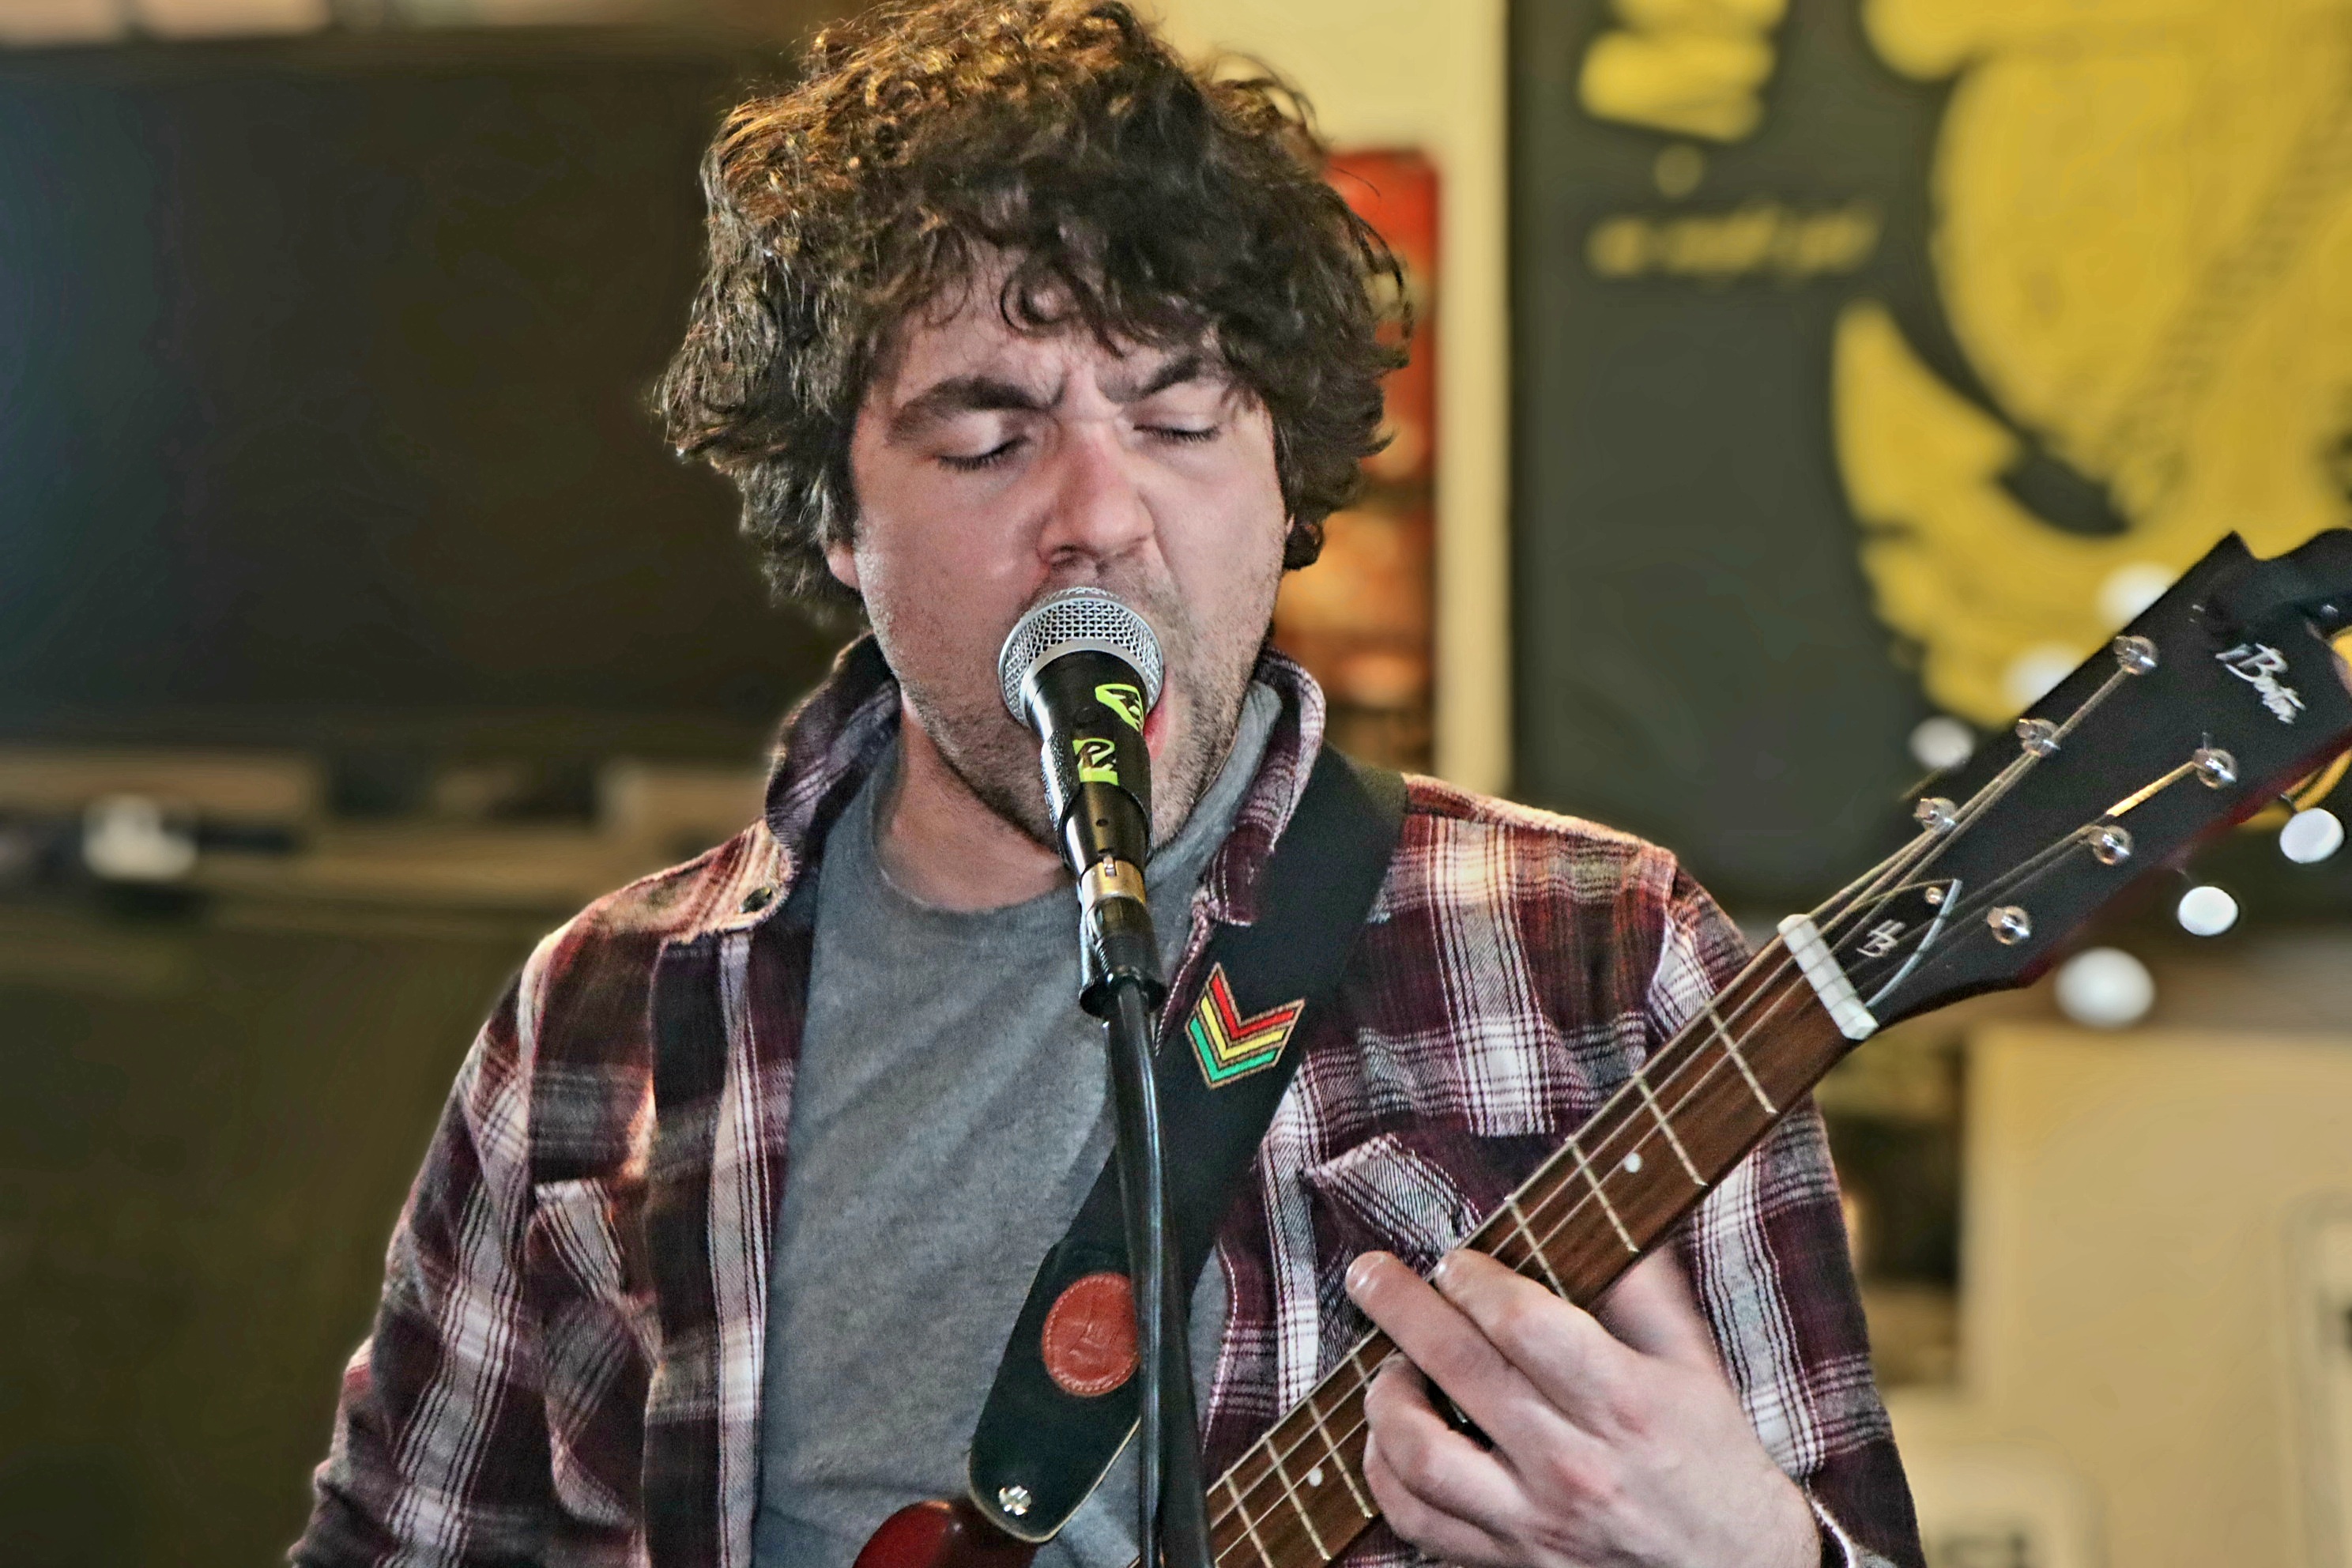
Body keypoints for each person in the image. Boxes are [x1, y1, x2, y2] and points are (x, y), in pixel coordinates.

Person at [292, 3, 1923, 1565]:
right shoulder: (604, 1009)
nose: (1099, 513)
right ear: (837, 516)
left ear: (1282, 477)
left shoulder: (1603, 952)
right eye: (988, 440)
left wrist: (1753, 1555)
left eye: (1180, 418)